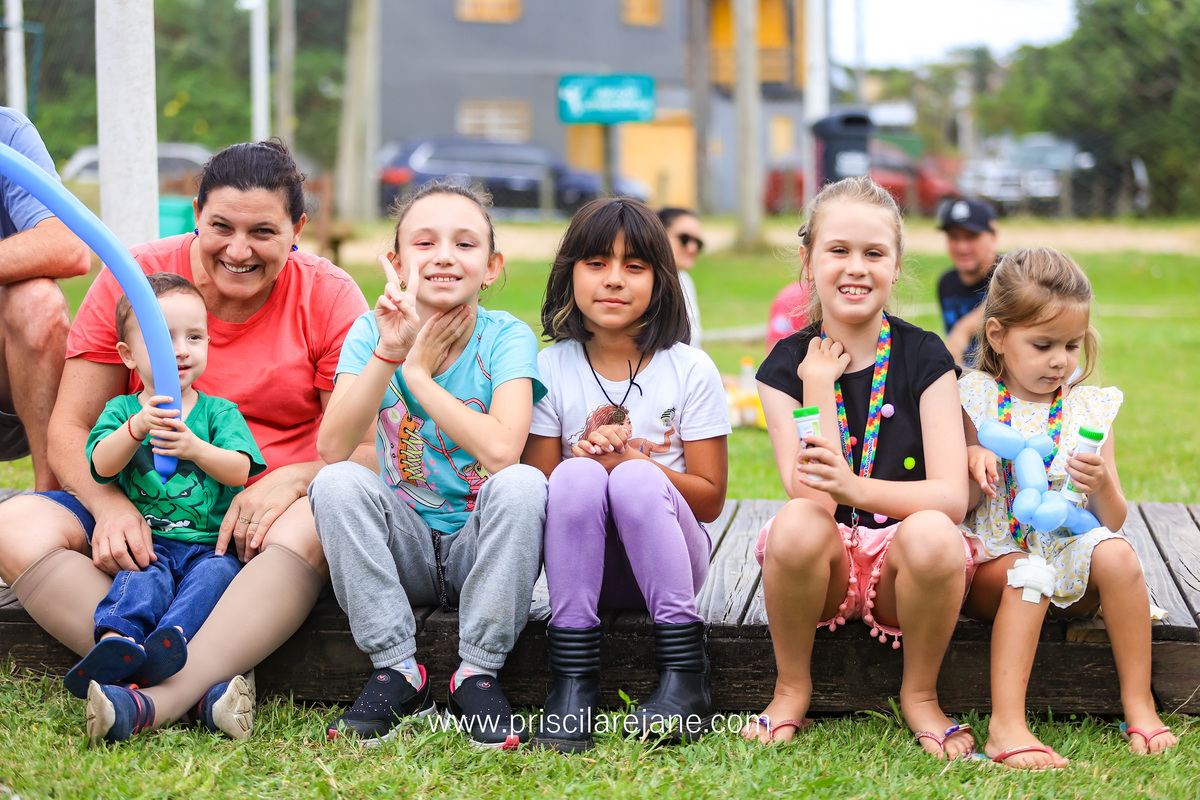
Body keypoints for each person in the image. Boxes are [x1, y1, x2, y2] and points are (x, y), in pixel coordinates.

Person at [0, 140, 370, 743]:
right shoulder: (135, 277)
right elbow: (69, 428)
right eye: (220, 226)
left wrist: (288, 479)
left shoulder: (326, 296)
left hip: (260, 524)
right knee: (12, 526)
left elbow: (362, 450)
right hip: (142, 508)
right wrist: (109, 506)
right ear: (194, 214)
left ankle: (155, 699)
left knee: (315, 521)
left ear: (298, 228)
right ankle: (204, 678)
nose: (238, 250)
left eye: (264, 232)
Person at [309, 181, 547, 749]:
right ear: (396, 262)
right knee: (336, 483)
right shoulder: (371, 331)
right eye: (425, 242)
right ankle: (398, 668)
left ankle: (477, 671)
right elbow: (333, 446)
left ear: (491, 267)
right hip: (406, 545)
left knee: (523, 484)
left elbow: (500, 452)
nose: (444, 255)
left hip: (479, 549)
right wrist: (391, 352)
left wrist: (416, 376)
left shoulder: (506, 336)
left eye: (465, 244)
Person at [744, 177, 975, 759]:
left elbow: (951, 497)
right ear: (808, 259)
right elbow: (815, 498)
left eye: (874, 253)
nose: (856, 268)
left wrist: (855, 486)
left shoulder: (926, 355)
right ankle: (792, 687)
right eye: (838, 250)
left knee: (934, 532)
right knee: (796, 521)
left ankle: (920, 695)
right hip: (820, 567)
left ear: (896, 266)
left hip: (903, 565)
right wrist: (818, 386)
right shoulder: (786, 366)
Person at [524, 197, 730, 752]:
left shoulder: (690, 368)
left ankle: (685, 680)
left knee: (636, 481)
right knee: (574, 479)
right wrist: (583, 458)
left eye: (634, 266)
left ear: (661, 281)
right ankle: (573, 685)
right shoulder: (549, 368)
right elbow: (536, 492)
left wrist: (639, 464)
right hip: (583, 573)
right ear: (569, 273)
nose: (614, 280)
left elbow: (710, 500)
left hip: (670, 571)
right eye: (596, 263)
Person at [959, 247, 1176, 769]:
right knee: (1028, 572)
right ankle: (1006, 726)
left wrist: (1099, 484)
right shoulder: (974, 400)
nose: (1060, 359)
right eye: (1043, 344)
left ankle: (1139, 704)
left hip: (1069, 563)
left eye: (1072, 345)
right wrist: (972, 456)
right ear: (997, 336)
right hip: (997, 564)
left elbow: (1113, 521)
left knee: (1120, 555)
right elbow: (957, 505)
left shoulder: (1088, 409)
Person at [63, 273, 266, 700]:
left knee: (214, 578)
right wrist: (136, 428)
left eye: (195, 337)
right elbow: (100, 464)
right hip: (148, 544)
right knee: (138, 582)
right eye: (161, 339)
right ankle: (117, 642)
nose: (180, 350)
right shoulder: (121, 410)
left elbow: (239, 471)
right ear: (128, 355)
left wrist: (194, 447)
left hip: (209, 545)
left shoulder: (217, 413)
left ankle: (171, 640)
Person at [0, 106, 92, 491]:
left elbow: (69, 246)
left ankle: (52, 501)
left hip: (10, 390)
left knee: (37, 300)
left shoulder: (8, 133)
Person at [936, 198, 1000, 366]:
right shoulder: (946, 283)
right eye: (954, 237)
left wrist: (964, 328)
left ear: (993, 237)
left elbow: (1012, 297)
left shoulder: (1012, 271)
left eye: (971, 237)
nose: (962, 247)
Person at [657, 207, 704, 347]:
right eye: (684, 239)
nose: (692, 248)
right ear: (658, 235)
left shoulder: (684, 279)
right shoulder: (650, 283)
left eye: (698, 243)